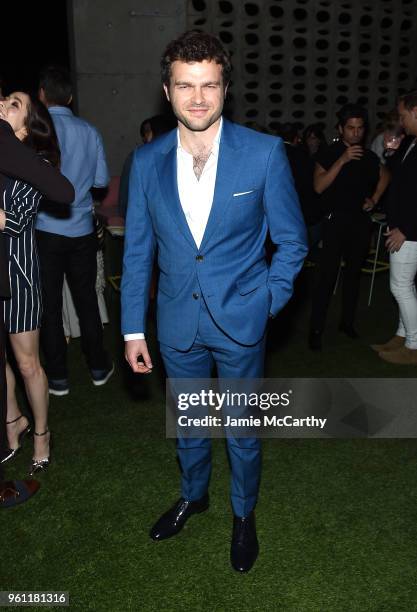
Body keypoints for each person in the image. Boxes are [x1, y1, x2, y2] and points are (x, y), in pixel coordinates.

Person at [122, 31, 307, 572]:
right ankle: (193, 494)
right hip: (176, 321)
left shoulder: (265, 153)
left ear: (225, 89)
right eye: (185, 86)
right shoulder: (146, 161)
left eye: (209, 85)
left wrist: (267, 300)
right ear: (167, 90)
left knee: (243, 429)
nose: (197, 98)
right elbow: (136, 253)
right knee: (188, 421)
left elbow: (293, 241)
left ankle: (243, 514)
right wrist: (133, 328)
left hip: (241, 321)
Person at [0, 93, 74, 504]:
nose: (2, 105)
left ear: (26, 127)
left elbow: (11, 222)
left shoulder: (36, 166)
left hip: (20, 274)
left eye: (13, 104)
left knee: (27, 362)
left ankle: (41, 437)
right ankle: (14, 419)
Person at [36, 65, 113, 396]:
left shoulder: (34, 131)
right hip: (80, 228)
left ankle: (57, 378)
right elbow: (99, 182)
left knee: (49, 304)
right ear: (69, 96)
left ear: (41, 95)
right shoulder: (89, 130)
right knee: (87, 301)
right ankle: (98, 366)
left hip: (44, 230)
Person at [308, 103, 390, 351]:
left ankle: (347, 323)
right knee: (327, 277)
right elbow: (318, 187)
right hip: (334, 222)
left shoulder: (368, 156)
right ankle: (316, 330)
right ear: (341, 128)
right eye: (350, 128)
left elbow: (385, 173)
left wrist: (374, 199)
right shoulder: (330, 152)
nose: (355, 133)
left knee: (354, 276)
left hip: (360, 222)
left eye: (359, 128)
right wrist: (342, 160)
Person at [373, 91, 417, 364]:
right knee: (404, 285)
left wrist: (407, 229)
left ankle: (413, 345)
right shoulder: (411, 141)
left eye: (402, 115)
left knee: (400, 286)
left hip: (409, 231)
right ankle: (403, 336)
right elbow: (402, 179)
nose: (400, 121)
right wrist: (390, 154)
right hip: (402, 226)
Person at [118, 114, 177, 218]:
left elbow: (124, 203)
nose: (144, 137)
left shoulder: (138, 158)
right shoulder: (138, 159)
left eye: (147, 132)